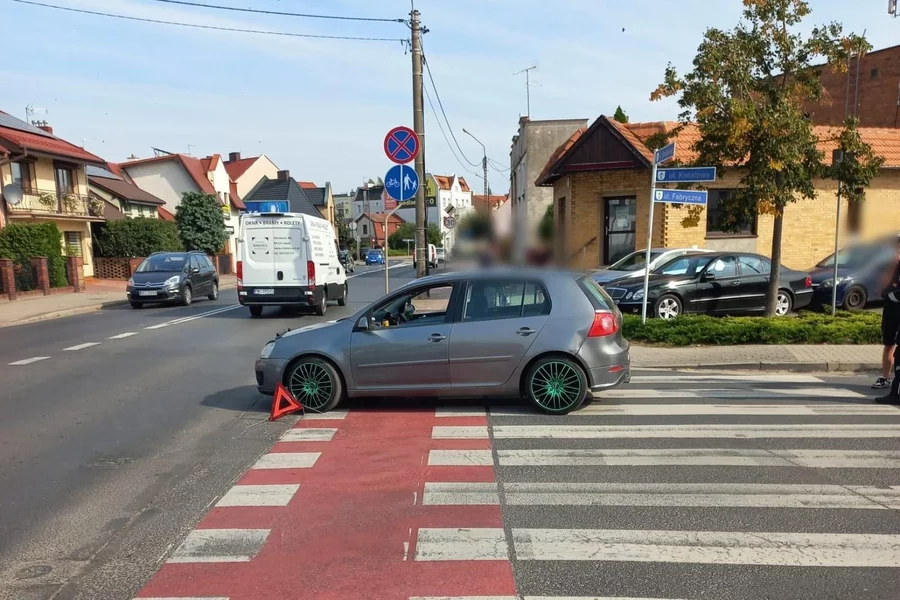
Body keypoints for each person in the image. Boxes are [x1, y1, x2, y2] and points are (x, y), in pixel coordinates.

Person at [877, 237, 900, 404]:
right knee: (889, 342)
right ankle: (886, 378)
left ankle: (896, 391)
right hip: (892, 306)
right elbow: (883, 286)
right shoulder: (892, 264)